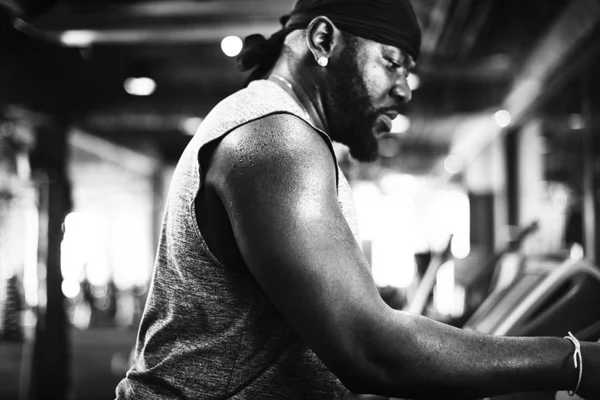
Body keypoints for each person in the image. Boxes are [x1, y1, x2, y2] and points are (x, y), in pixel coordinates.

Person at [116, 0, 600, 399]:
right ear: (324, 41)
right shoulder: (276, 140)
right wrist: (574, 360)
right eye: (392, 62)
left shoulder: (274, 129)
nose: (406, 89)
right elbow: (371, 351)